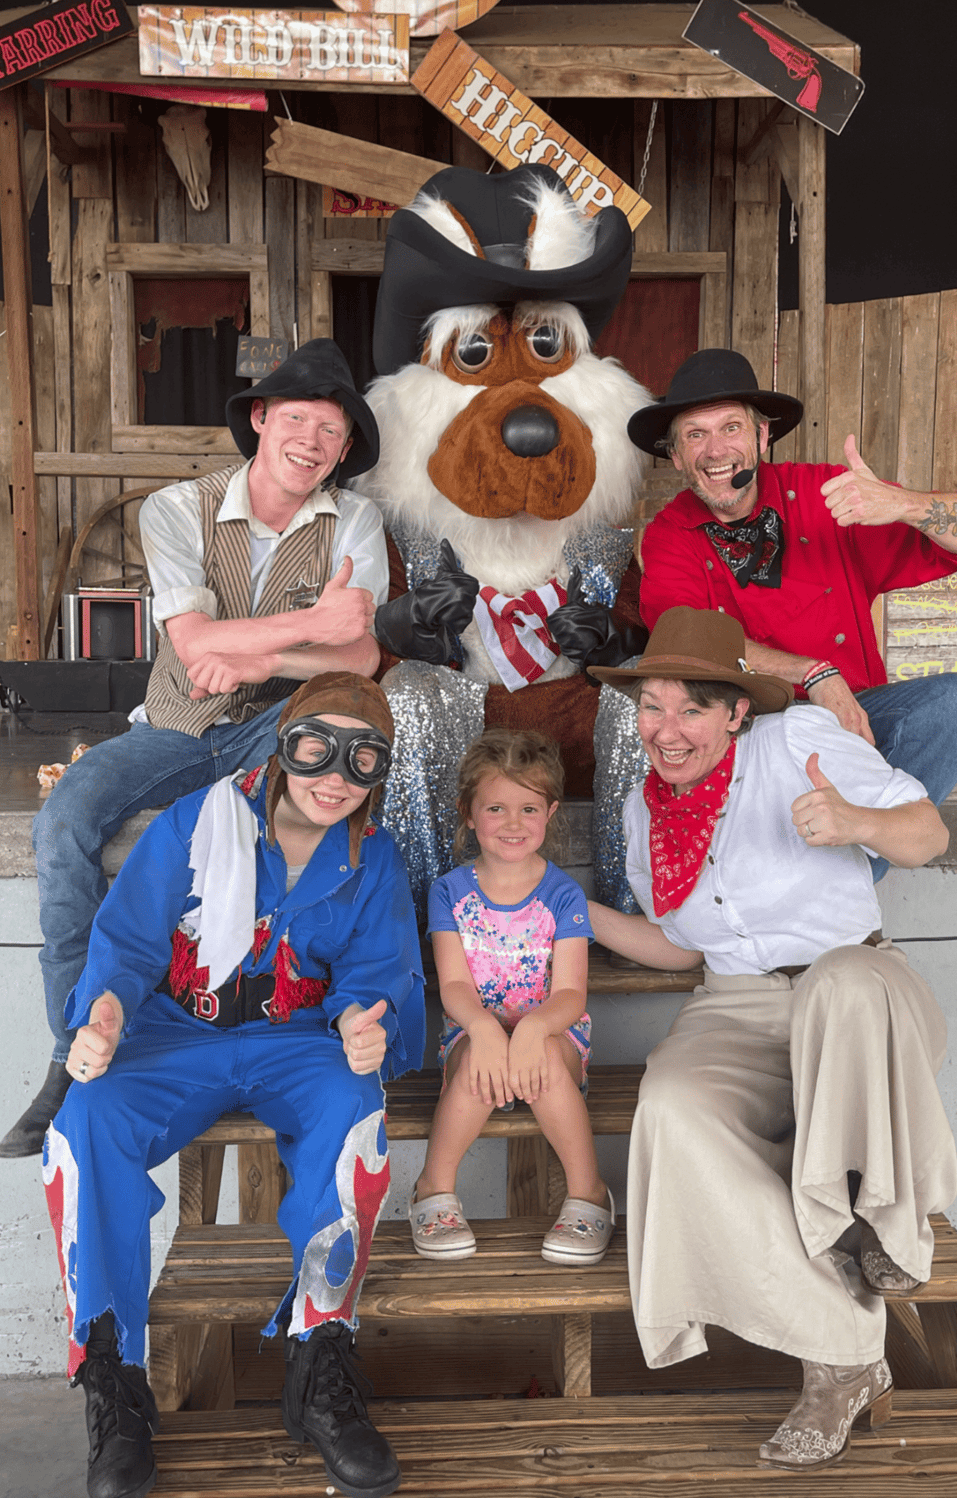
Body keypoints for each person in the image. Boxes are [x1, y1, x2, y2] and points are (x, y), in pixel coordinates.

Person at [587, 607, 957, 1471]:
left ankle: (881, 1226)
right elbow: (683, 943)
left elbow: (928, 835)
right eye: (651, 709)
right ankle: (840, 1355)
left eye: (690, 710)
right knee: (672, 1107)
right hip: (736, 1004)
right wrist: (570, 909)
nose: (666, 731)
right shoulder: (648, 812)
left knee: (837, 984)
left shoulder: (798, 741)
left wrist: (858, 824)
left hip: (860, 985)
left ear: (735, 714)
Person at [42, 672, 425, 1498]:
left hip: (297, 1039)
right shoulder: (197, 821)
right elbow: (132, 942)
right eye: (316, 748)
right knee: (83, 1127)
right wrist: (104, 1010)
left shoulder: (372, 856)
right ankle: (115, 1381)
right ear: (284, 745)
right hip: (178, 1033)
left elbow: (379, 970)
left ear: (378, 774)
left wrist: (368, 1021)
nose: (334, 777)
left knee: (354, 1117)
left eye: (361, 762)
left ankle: (320, 1360)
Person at [4, 339, 389, 1159]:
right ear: (259, 420)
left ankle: (326, 1030)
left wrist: (263, 654)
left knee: (295, 836)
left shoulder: (355, 519)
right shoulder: (175, 508)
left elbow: (360, 659)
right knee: (65, 820)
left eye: (332, 430)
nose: (313, 441)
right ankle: (72, 1049)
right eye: (297, 419)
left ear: (346, 447)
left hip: (283, 733)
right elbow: (194, 643)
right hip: (175, 727)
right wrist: (314, 626)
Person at [601, 347, 957, 898]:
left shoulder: (826, 493)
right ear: (674, 456)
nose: (716, 450)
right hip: (750, 737)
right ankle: (836, 892)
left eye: (731, 428)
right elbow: (685, 636)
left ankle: (853, 865)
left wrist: (903, 504)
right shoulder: (669, 535)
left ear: (763, 437)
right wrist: (813, 671)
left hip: (854, 727)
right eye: (694, 435)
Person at [408, 729, 614, 1266]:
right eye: (496, 807)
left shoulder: (563, 894)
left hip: (552, 1033)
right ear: (469, 814)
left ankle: (588, 1191)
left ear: (550, 813)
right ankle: (433, 1187)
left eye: (528, 808)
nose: (514, 823)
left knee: (544, 1057)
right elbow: (453, 985)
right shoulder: (450, 891)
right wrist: (482, 1028)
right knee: (479, 1055)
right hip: (471, 1030)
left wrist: (531, 1028)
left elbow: (570, 993)